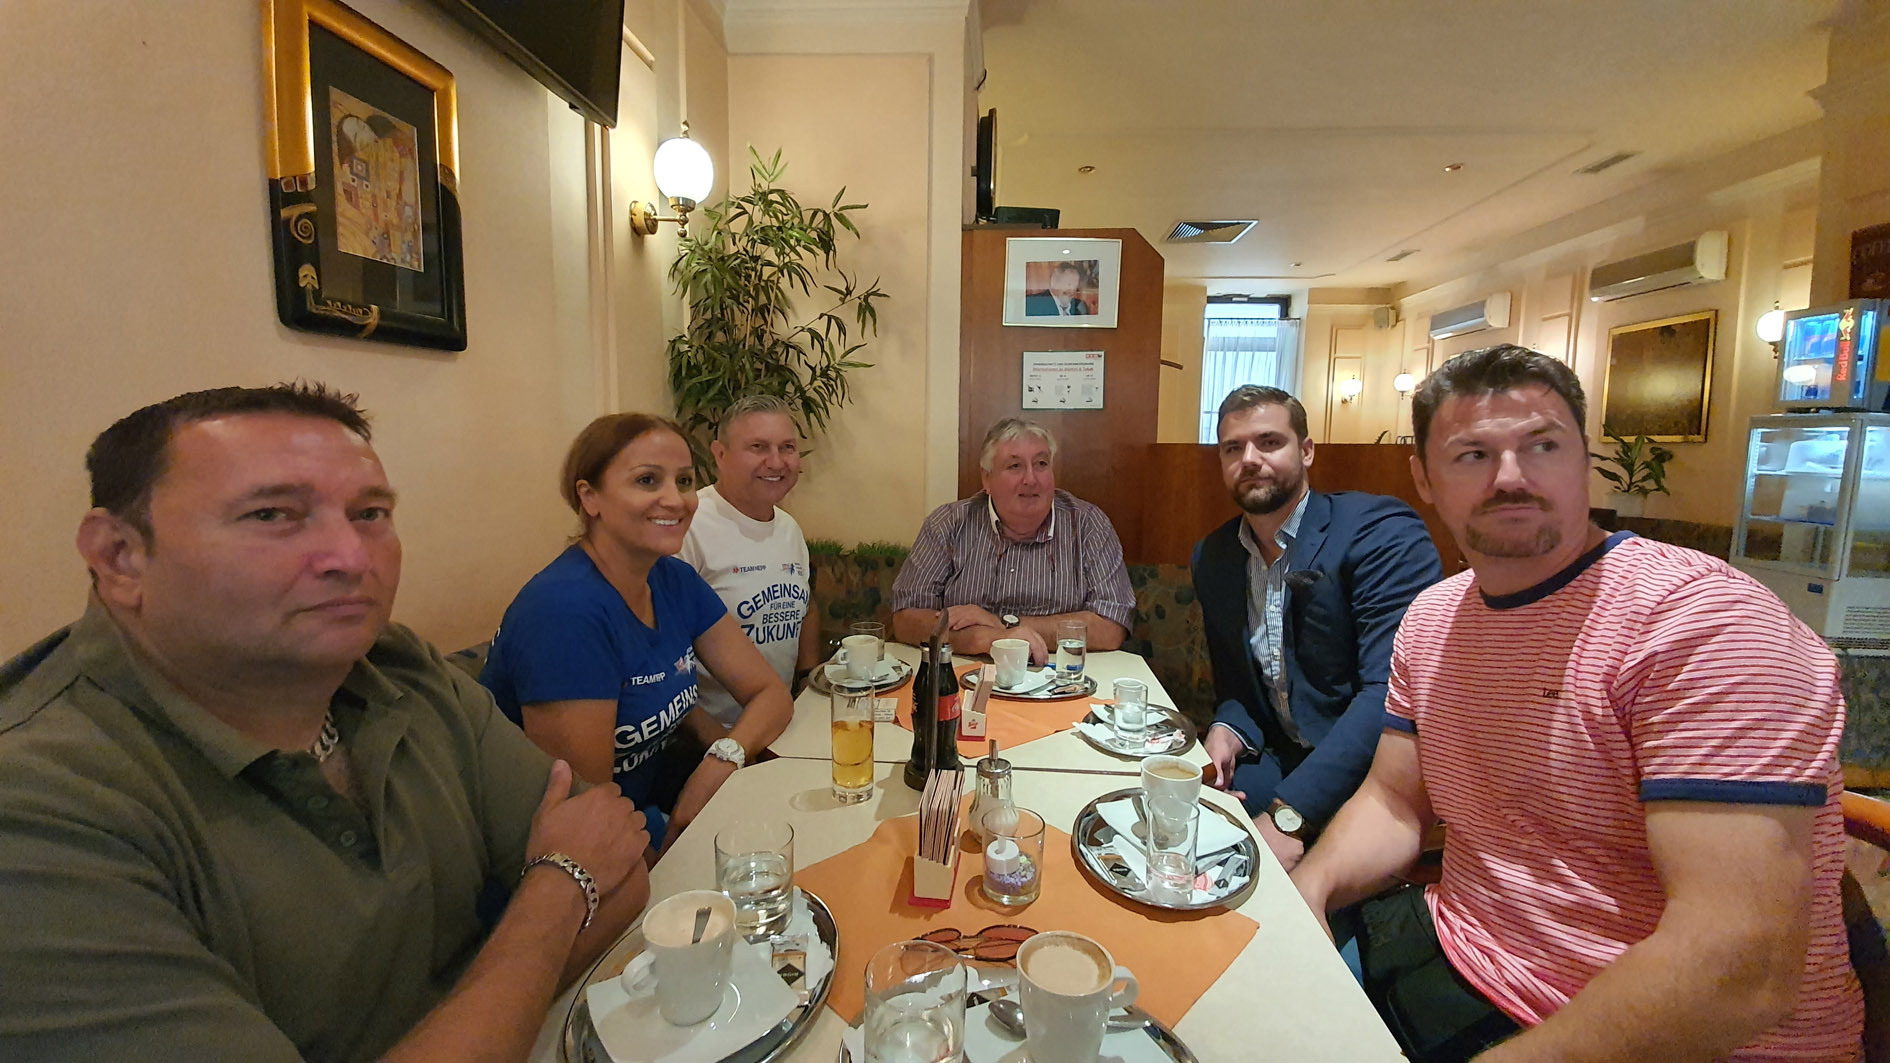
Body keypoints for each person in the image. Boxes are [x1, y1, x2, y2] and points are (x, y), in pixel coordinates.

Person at [0, 384, 652, 1063]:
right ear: (119, 556)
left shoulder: (396, 666)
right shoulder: (35, 811)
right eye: (272, 514)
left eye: (370, 513)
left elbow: (621, 864)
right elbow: (586, 867)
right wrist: (558, 885)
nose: (351, 557)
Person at [1290, 345, 1862, 1061]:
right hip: (1458, 954)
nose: (1511, 476)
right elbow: (1395, 802)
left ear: (1584, 460)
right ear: (1424, 479)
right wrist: (1309, 889)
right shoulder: (1433, 619)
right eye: (1472, 454)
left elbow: (1740, 972)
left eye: (1544, 446)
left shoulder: (1703, 625)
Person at [480, 413, 791, 850]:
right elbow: (588, 819)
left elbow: (771, 695)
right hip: (552, 856)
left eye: (684, 481)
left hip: (643, 815)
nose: (675, 500)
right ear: (590, 497)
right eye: (647, 480)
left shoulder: (673, 580)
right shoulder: (564, 612)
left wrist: (722, 761)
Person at [1194, 385, 1440, 869]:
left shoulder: (1380, 533)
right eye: (1233, 448)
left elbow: (1390, 694)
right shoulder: (1214, 555)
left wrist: (1290, 814)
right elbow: (1240, 688)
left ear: (1306, 450)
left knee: (1278, 890)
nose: (1250, 459)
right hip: (1280, 759)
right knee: (1183, 836)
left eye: (1269, 442)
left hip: (1376, 776)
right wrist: (1227, 727)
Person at [890, 417, 1134, 661]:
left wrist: (1003, 625)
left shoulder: (1088, 525)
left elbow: (1111, 626)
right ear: (987, 479)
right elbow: (906, 620)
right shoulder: (947, 524)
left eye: (1041, 464)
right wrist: (984, 638)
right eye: (1015, 466)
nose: (1031, 479)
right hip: (966, 671)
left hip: (1060, 672)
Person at [677, 396, 822, 721]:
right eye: (758, 447)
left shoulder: (789, 528)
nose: (776, 462)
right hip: (712, 736)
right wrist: (723, 744)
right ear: (720, 454)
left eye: (787, 447)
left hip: (778, 725)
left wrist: (807, 680)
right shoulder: (688, 526)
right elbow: (661, 657)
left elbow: (807, 606)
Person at [1023, 261, 1091, 317]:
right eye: (1069, 284)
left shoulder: (1079, 307)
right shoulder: (1032, 303)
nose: (1072, 290)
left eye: (1075, 284)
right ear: (1054, 281)